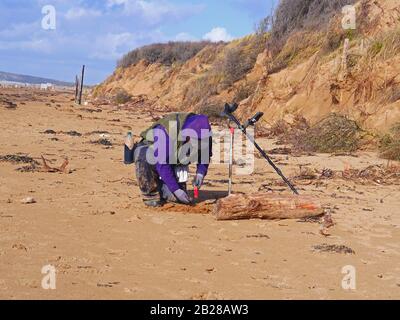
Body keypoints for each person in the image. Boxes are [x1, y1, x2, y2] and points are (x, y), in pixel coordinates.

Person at [124, 113, 212, 207]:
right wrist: (176, 190)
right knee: (144, 155)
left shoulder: (205, 133)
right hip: (153, 152)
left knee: (179, 199)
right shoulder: (167, 131)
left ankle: (164, 187)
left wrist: (200, 173)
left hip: (173, 157)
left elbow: (205, 156)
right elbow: (161, 163)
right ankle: (151, 193)